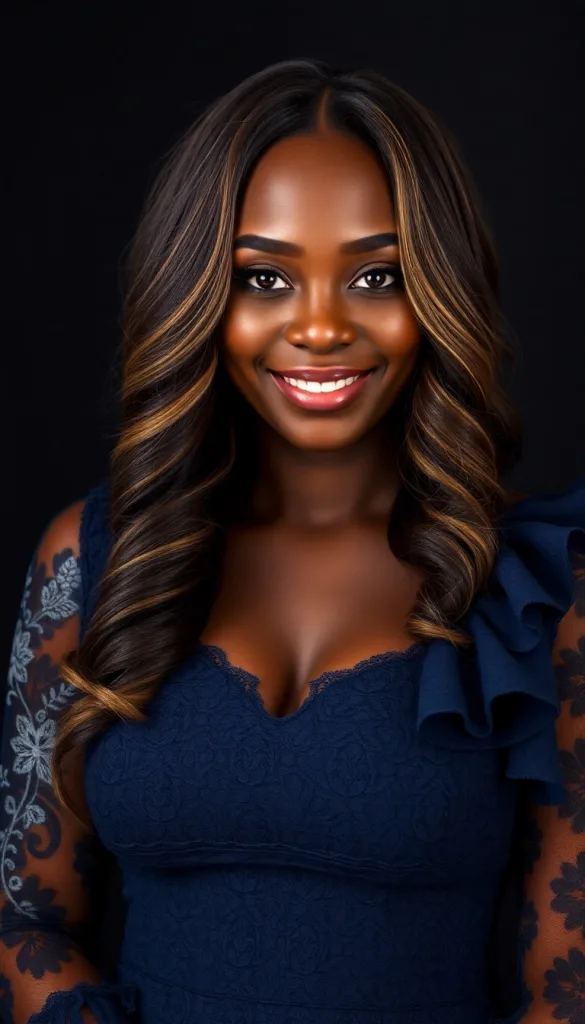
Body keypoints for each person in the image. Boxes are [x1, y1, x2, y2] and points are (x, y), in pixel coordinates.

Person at [1, 57, 584, 1024]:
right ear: (200, 291)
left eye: (375, 276)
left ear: (437, 292)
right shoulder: (94, 559)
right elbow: (24, 921)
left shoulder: (536, 589)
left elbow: (567, 987)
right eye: (264, 277)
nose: (318, 327)